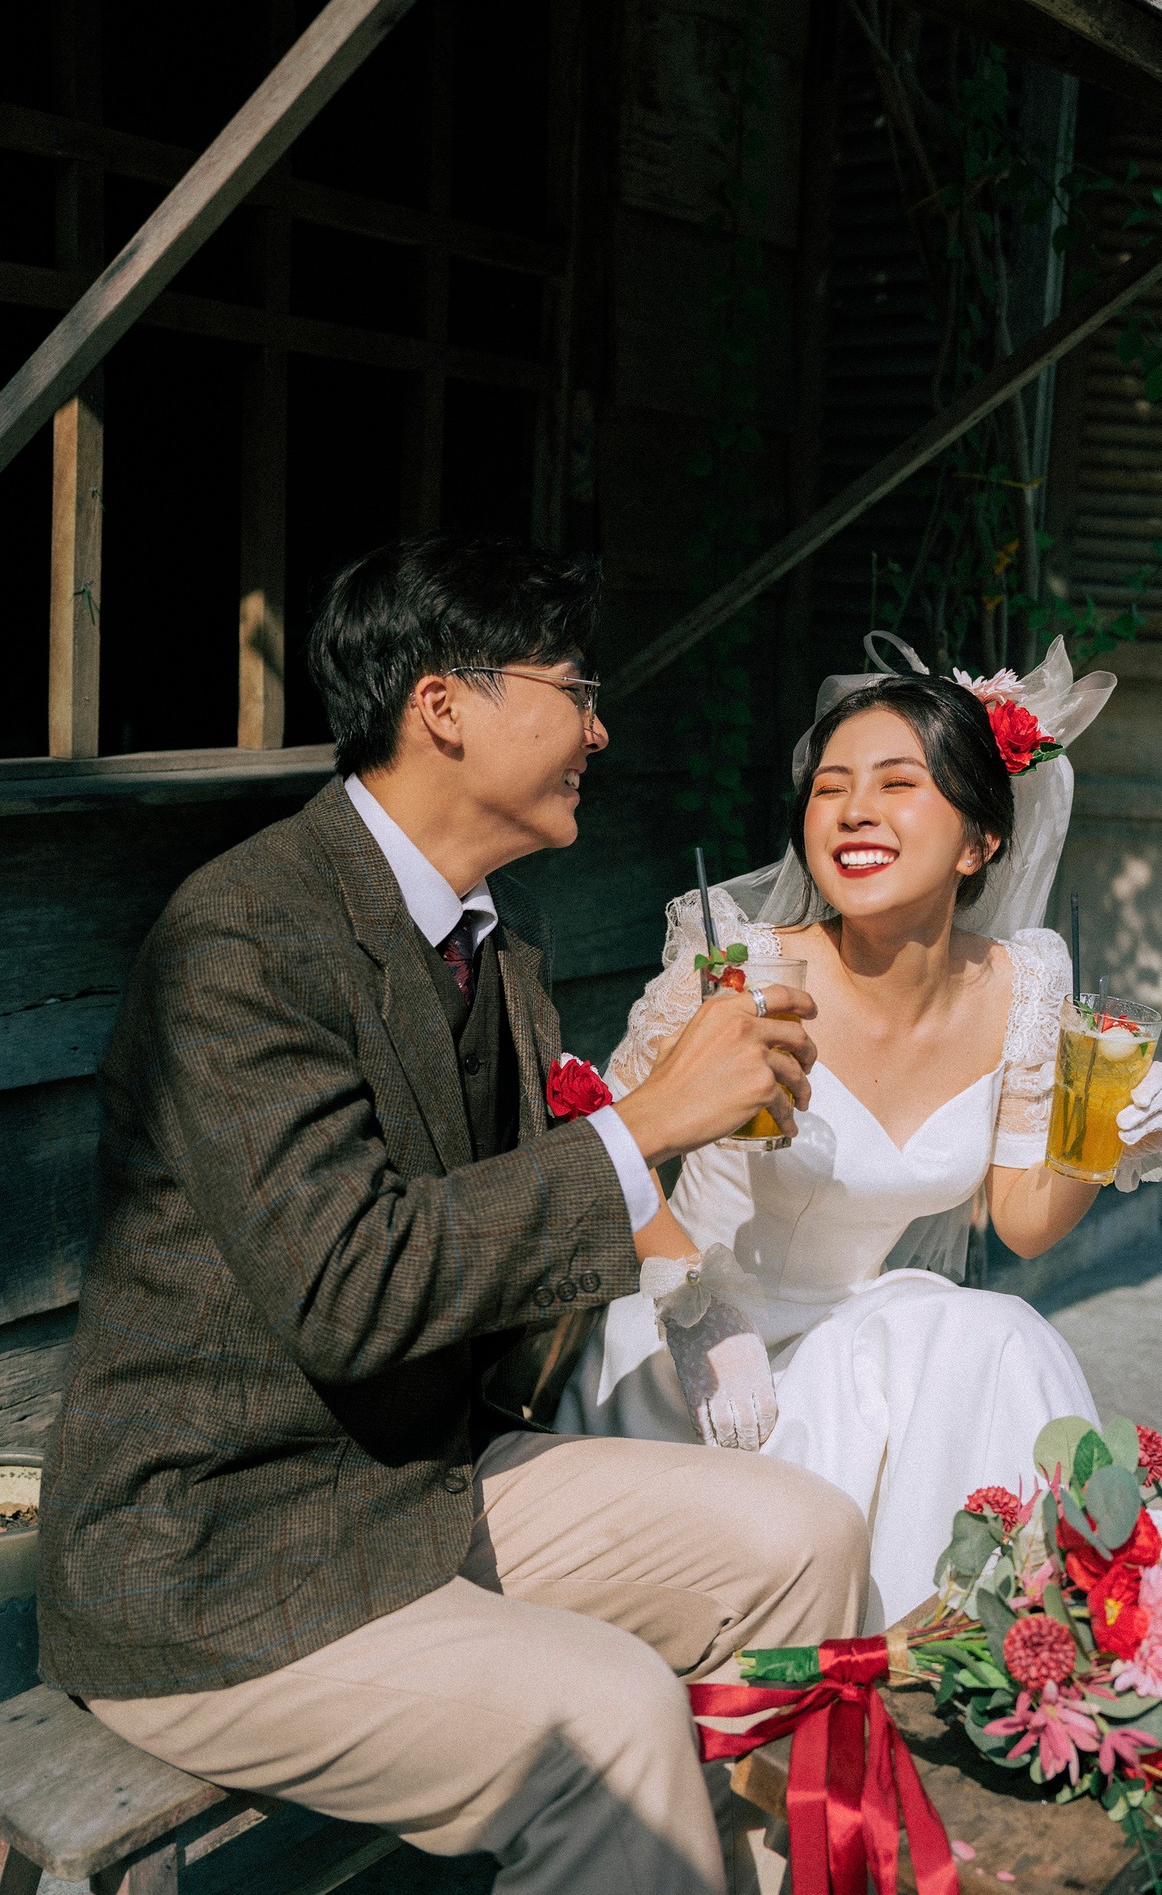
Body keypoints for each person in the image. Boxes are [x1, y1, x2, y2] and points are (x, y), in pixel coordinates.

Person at [37, 539, 871, 1895]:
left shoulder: (497, 938)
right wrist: (647, 1122)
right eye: (574, 690)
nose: (600, 729)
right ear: (442, 706)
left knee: (808, 1536)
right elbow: (348, 1289)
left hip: (413, 1479)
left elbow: (511, 1234)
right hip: (223, 1548)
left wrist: (692, 1277)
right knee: (610, 1718)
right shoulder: (242, 936)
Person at [558, 634, 1162, 1635]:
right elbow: (601, 1147)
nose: (853, 809)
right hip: (699, 1352)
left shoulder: (1026, 984)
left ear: (979, 841)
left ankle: (1042, 1641)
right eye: (830, 788)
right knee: (925, 1362)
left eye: (898, 783)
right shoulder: (740, 968)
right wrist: (690, 1305)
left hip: (855, 1328)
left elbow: (1022, 1224)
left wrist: (1103, 1142)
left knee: (997, 1333)